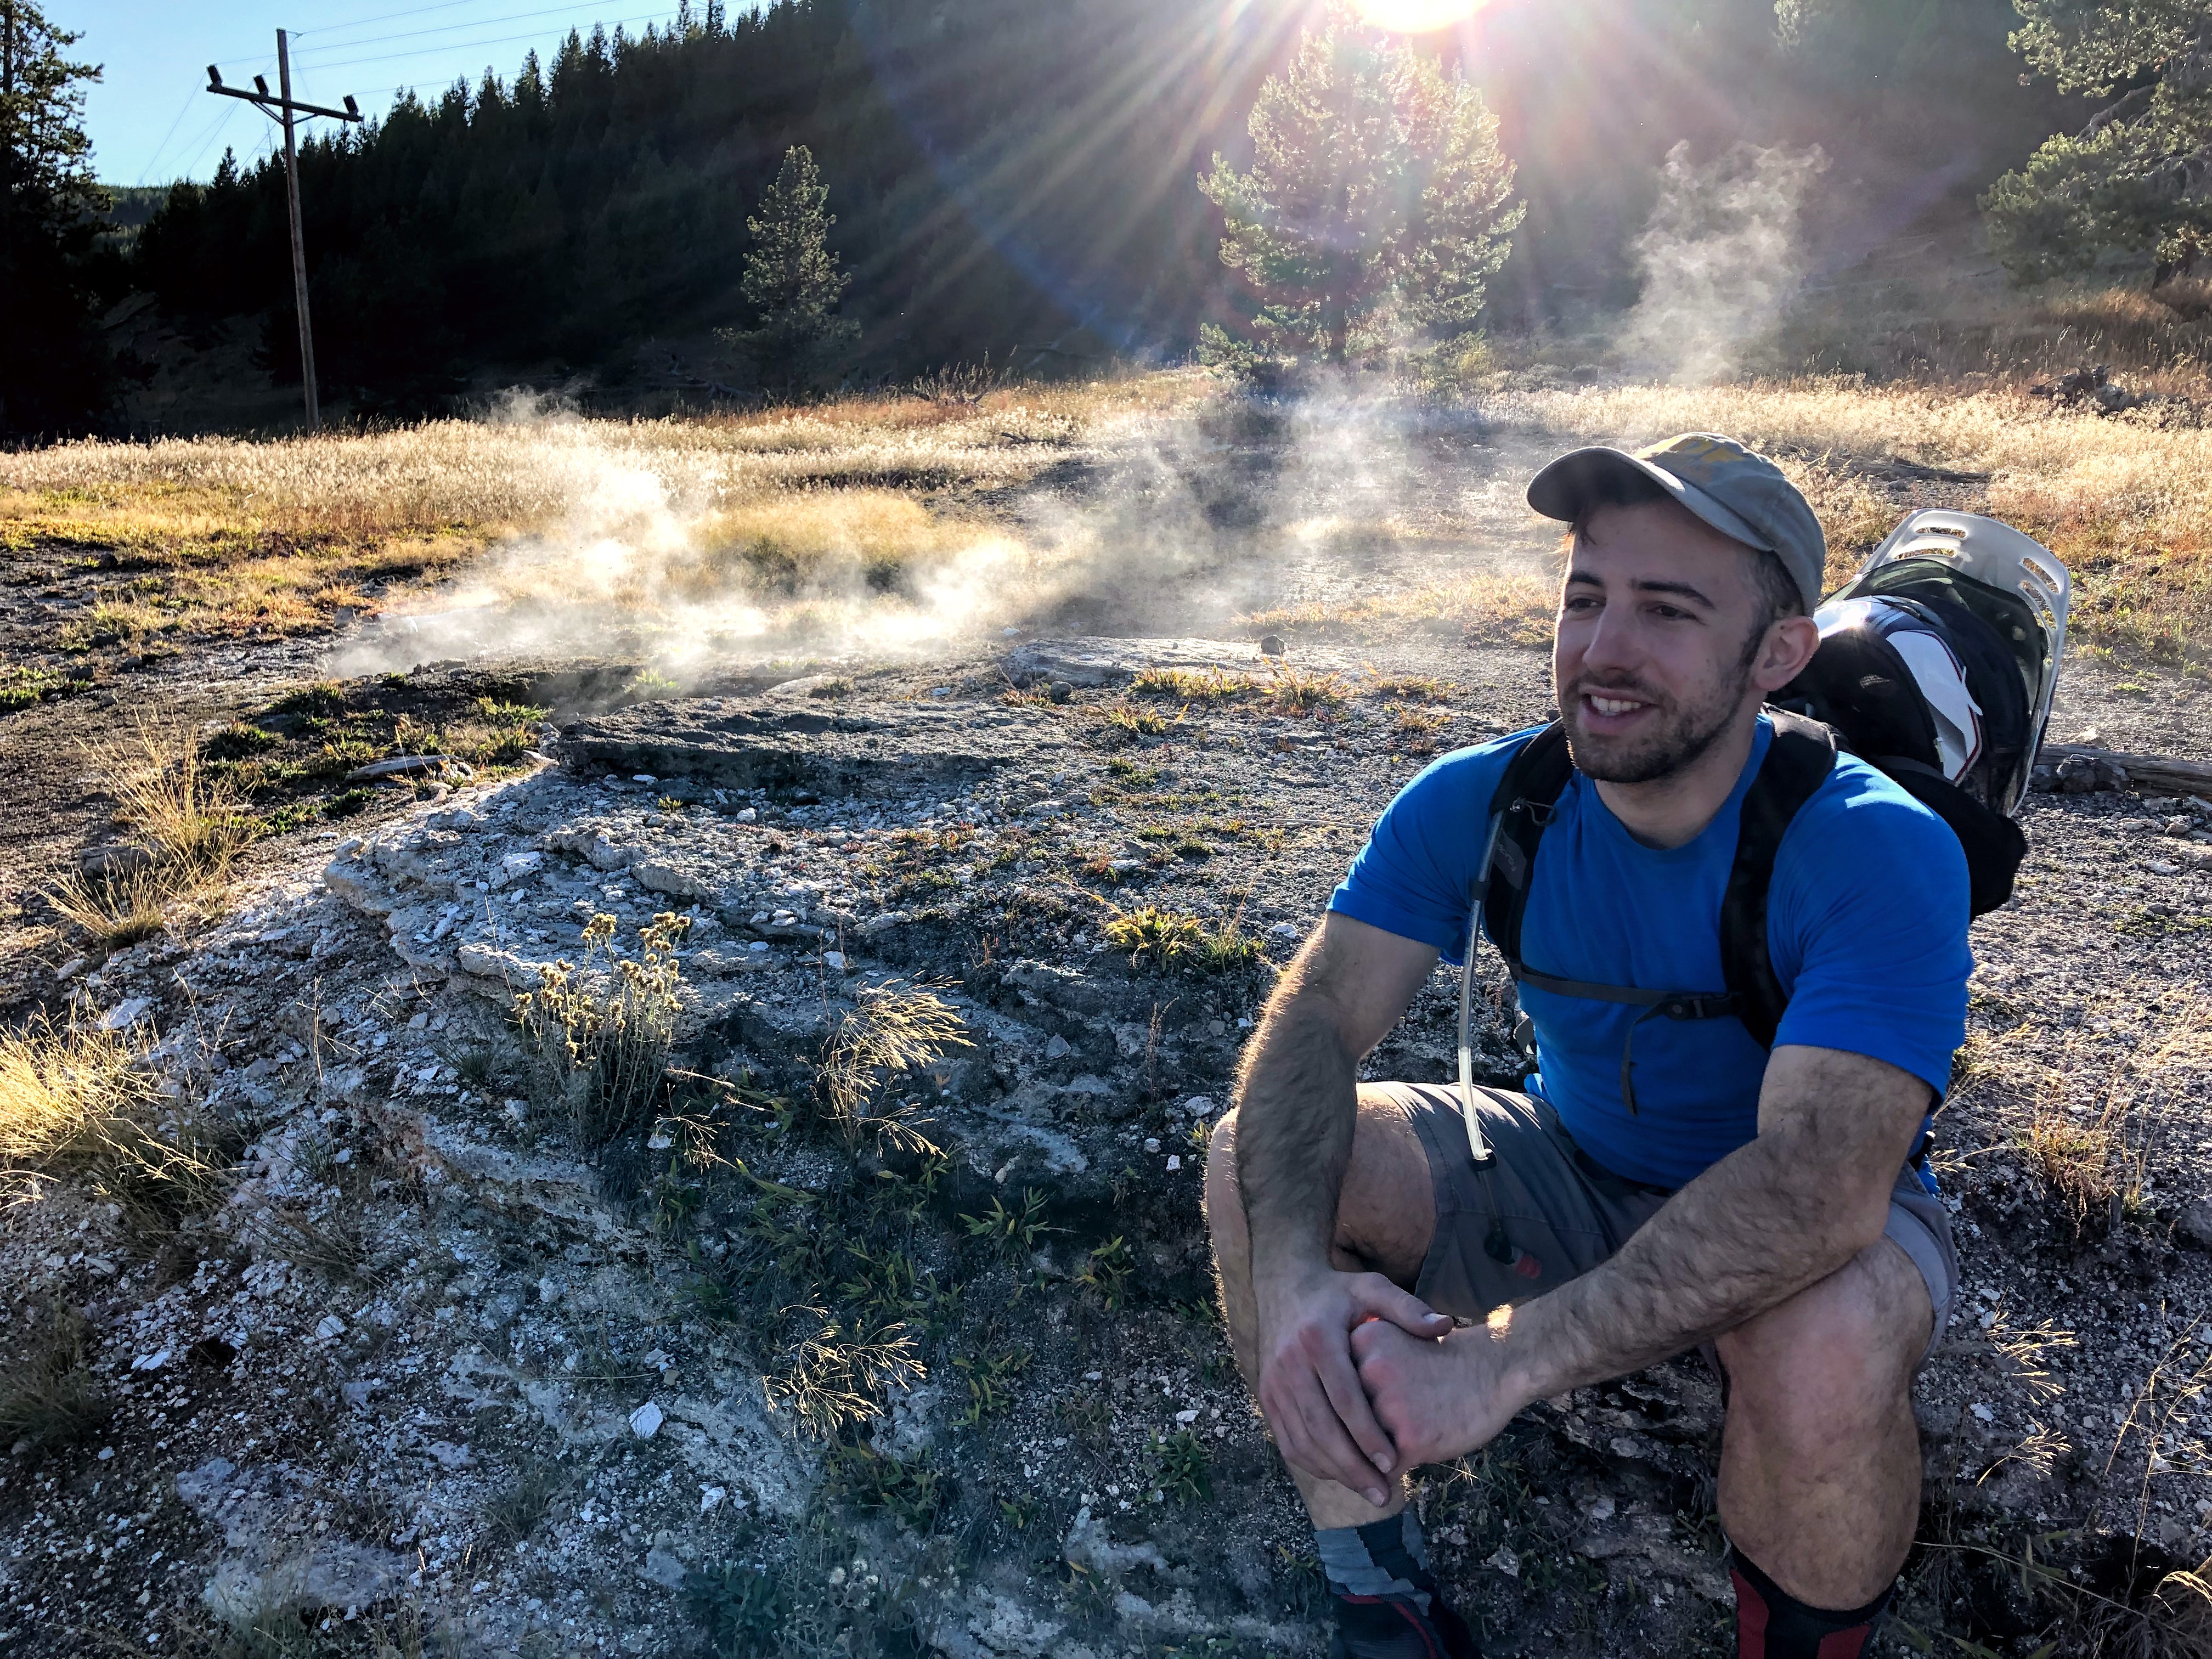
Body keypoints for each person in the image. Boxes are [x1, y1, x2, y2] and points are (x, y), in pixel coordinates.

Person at [1205, 433, 1971, 1659]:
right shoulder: (1487, 797)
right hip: (1567, 1160)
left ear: (1779, 654)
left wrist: (1503, 1365)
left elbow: (1824, 1196)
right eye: (1585, 597)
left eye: (1667, 611)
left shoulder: (1874, 847)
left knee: (1819, 1339)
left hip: (1823, 1219)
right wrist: (1294, 1277)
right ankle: (1380, 1601)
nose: (1602, 651)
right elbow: (1316, 1021)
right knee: (1259, 1163)